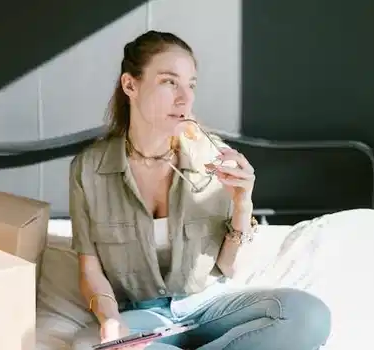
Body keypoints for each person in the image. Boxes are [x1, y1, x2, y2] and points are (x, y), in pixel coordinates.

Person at [69, 30, 331, 350]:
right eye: (169, 82)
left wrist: (242, 204)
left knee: (307, 315)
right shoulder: (89, 169)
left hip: (209, 306)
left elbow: (230, 267)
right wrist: (111, 322)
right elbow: (90, 268)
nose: (185, 98)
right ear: (130, 85)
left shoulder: (213, 158)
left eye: (191, 85)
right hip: (140, 316)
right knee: (85, 345)